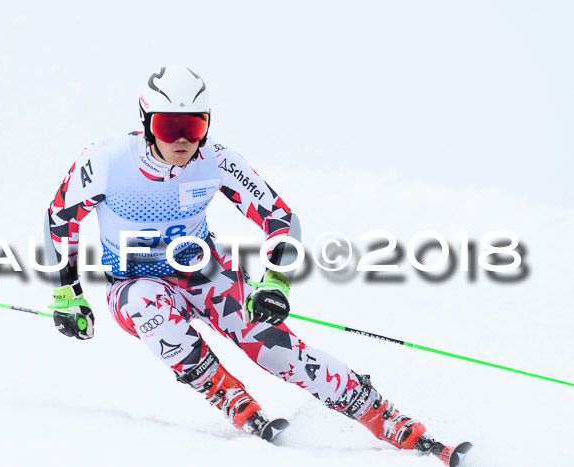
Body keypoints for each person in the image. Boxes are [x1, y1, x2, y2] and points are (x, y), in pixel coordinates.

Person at [43, 66, 465, 465]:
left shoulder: (218, 161)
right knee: (148, 303)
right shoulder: (106, 161)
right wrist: (68, 297)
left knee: (276, 352)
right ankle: (228, 395)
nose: (183, 139)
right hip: (132, 283)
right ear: (146, 121)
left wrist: (275, 283)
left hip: (204, 271)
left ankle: (385, 417)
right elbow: (59, 219)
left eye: (195, 126)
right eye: (168, 126)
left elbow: (281, 219)